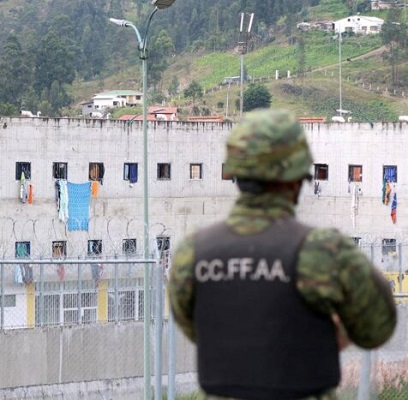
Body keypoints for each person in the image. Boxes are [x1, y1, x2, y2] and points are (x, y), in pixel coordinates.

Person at [168, 109, 397, 400]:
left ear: (235, 172)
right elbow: (377, 328)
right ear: (297, 178)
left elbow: (196, 329)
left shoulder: (193, 251)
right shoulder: (323, 251)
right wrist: (326, 336)